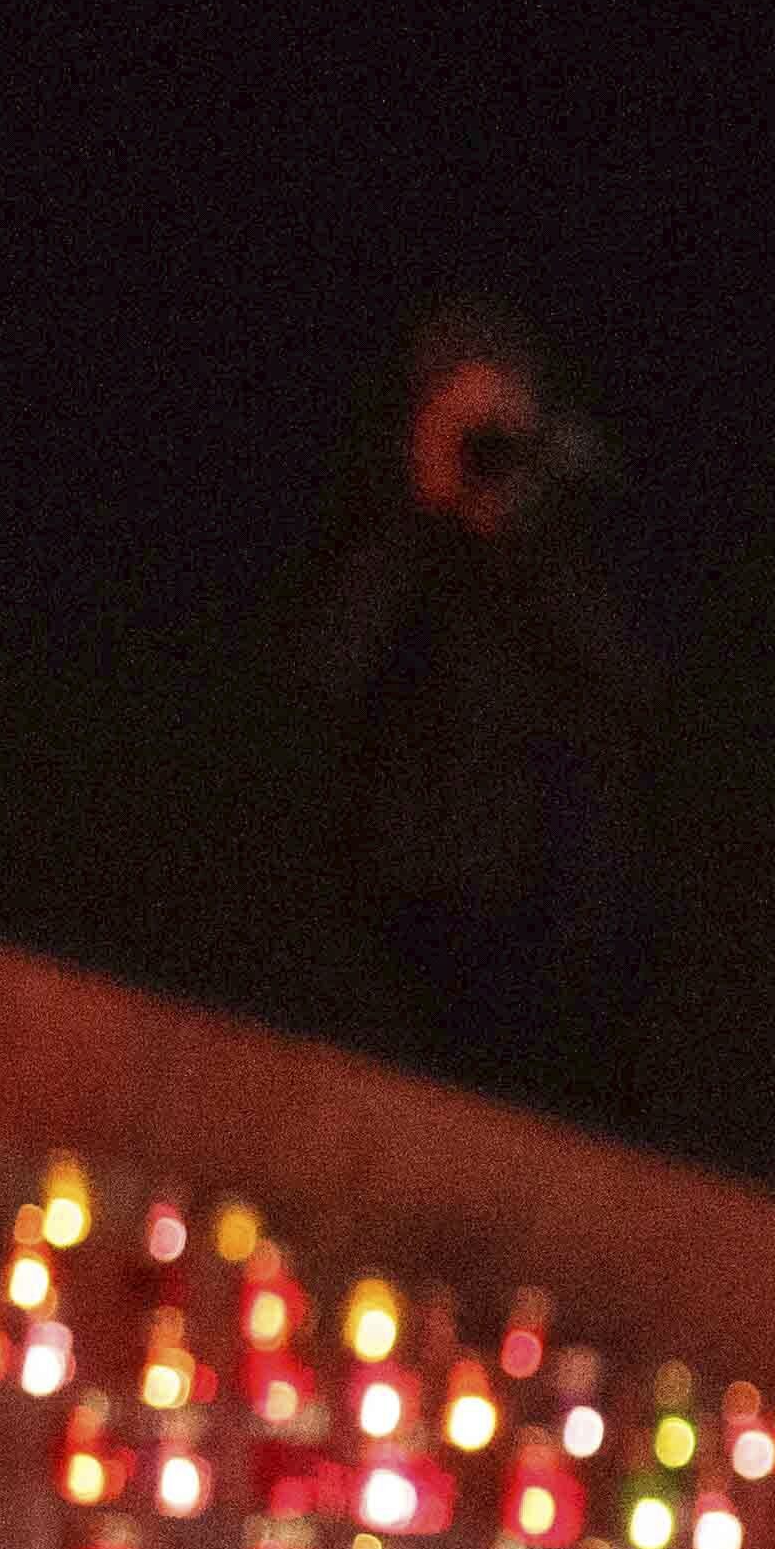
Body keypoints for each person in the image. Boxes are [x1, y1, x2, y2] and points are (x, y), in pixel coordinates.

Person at [300, 301, 657, 1123]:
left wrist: (526, 531)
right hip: (387, 915)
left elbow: (631, 691)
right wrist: (426, 508)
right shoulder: (383, 541)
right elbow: (328, 671)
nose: (486, 453)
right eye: (469, 425)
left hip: (534, 932)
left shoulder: (558, 563)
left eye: (502, 428)